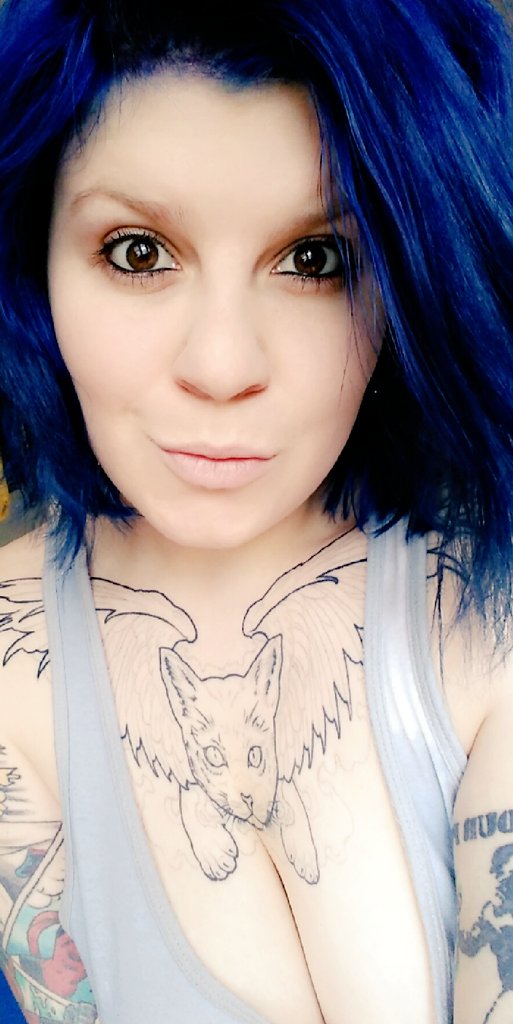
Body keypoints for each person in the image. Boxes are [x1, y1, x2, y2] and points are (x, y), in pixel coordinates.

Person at [0, 1, 512, 1021]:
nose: (223, 365)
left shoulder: (482, 607)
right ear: (31, 261)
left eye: (315, 260)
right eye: (137, 252)